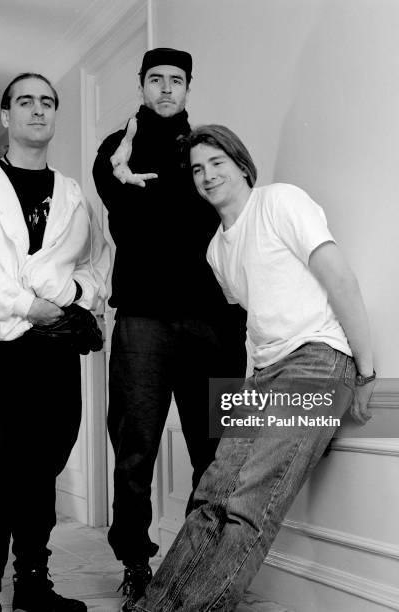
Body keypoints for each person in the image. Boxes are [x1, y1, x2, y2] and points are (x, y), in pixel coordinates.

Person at [133, 124, 376, 612]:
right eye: (198, 169)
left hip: (318, 360)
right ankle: (154, 608)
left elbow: (340, 279)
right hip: (264, 374)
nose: (207, 175)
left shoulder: (280, 202)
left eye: (217, 163)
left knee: (247, 506)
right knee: (210, 497)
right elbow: (259, 320)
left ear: (241, 164)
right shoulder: (216, 251)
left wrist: (364, 373)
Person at [0, 73, 110, 612]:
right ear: (6, 116)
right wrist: (32, 305)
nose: (37, 110)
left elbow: (96, 264)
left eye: (47, 102)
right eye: (25, 101)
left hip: (53, 354)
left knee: (42, 470)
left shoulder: (73, 194)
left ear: (55, 116)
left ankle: (33, 585)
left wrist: (78, 296)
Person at [92, 50, 246, 610]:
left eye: (175, 81)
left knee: (216, 449)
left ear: (187, 87)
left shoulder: (208, 149)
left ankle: (194, 559)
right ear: (140, 85)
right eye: (155, 80)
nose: (165, 89)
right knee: (135, 451)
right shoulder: (116, 149)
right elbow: (124, 214)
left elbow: (227, 215)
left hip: (212, 322)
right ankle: (135, 564)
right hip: (143, 321)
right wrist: (123, 177)